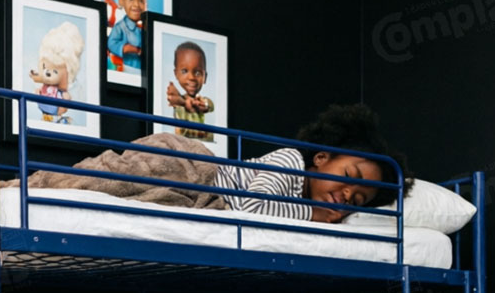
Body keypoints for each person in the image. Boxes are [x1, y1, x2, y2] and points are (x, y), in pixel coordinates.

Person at [214, 103, 413, 223]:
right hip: (205, 178)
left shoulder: (297, 208)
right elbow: (253, 208)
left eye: (356, 201)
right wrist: (313, 213)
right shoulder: (290, 160)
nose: (347, 194)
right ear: (321, 158)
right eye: (348, 176)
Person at [166, 41, 214, 141]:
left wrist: (202, 104)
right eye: (184, 71)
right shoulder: (178, 101)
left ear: (205, 77)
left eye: (198, 73)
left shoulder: (201, 100)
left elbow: (210, 105)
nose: (191, 77)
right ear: (176, 74)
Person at [106, 0, 146, 71]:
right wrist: (126, 48)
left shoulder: (145, 29)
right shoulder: (120, 27)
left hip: (143, 72)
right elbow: (111, 43)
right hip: (126, 69)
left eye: (141, 0)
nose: (136, 5)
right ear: (121, 0)